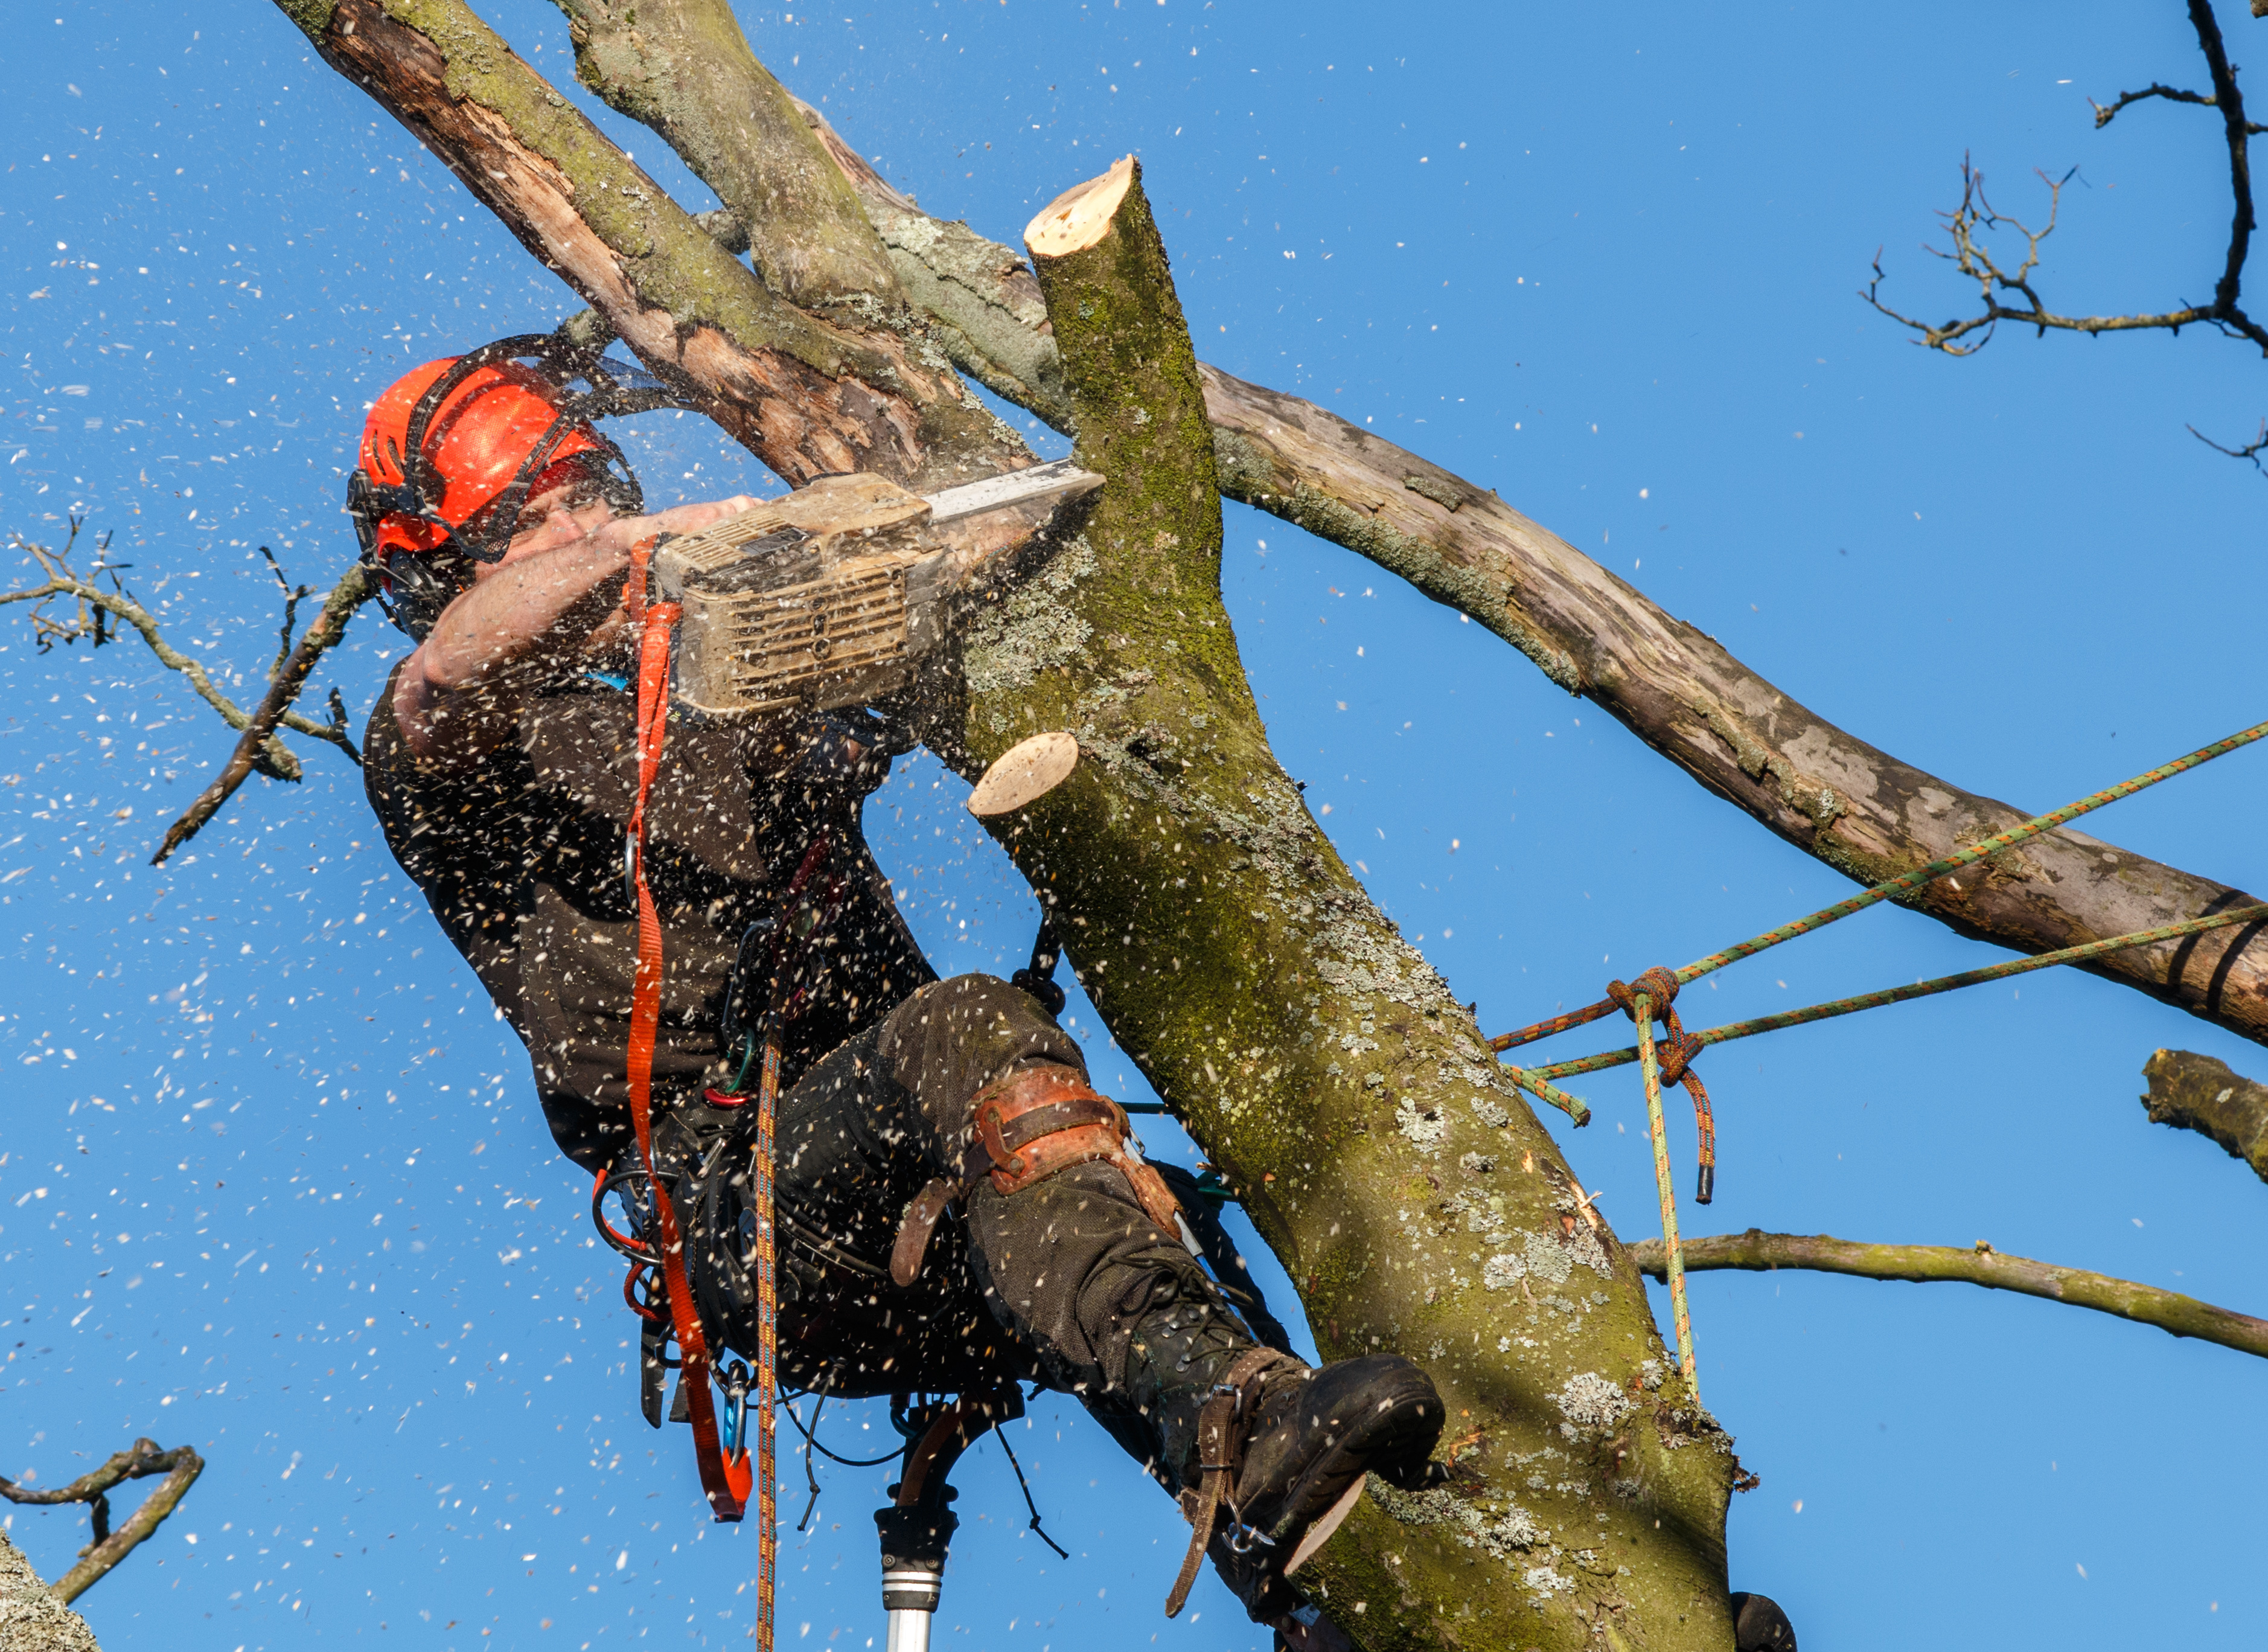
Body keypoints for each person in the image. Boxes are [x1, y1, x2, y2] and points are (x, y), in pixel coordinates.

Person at [349, 340, 1446, 1629]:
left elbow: (937, 584)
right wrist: (646, 551)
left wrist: (919, 534)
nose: (589, 522)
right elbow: (448, 681)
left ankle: (1399, 1595)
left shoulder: (726, 680)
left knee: (1169, 1214)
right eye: (541, 516)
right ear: (443, 564)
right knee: (970, 1024)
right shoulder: (453, 757)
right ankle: (1239, 1422)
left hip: (935, 1176)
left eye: (594, 487)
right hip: (749, 1216)